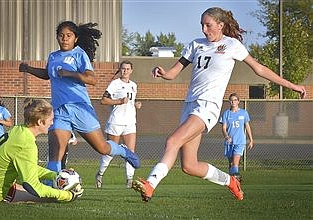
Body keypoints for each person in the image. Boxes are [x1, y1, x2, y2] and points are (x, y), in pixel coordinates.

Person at [131, 7, 306, 202]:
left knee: (172, 141)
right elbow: (172, 73)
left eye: (208, 25)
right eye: (202, 25)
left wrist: (292, 85)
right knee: (189, 166)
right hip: (189, 105)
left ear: (221, 25)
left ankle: (150, 184)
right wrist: (162, 72)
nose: (204, 30)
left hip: (208, 106)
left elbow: (260, 69)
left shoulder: (232, 45)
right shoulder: (195, 45)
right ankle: (230, 181)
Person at [19, 21, 140, 177]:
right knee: (56, 150)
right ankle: (52, 185)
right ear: (57, 37)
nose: (64, 39)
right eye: (61, 35)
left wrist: (71, 73)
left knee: (102, 148)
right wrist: (28, 69)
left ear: (75, 38)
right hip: (60, 110)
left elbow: (92, 79)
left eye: (69, 36)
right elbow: (48, 74)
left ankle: (123, 150)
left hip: (80, 108)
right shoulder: (53, 56)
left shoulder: (79, 54)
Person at [0, 99, 83, 203]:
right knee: (50, 197)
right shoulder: (27, 144)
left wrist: (54, 175)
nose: (52, 123)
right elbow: (33, 186)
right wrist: (67, 195)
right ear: (40, 122)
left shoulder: (19, 129)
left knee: (45, 191)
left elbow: (29, 167)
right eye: (51, 119)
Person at [95, 60, 142, 189]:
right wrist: (119, 101)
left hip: (130, 122)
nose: (125, 71)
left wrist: (136, 104)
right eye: (123, 69)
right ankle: (100, 174)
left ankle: (129, 180)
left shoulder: (134, 85)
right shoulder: (115, 84)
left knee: (130, 152)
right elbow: (103, 100)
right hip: (116, 122)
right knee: (110, 151)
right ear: (120, 70)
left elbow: (133, 99)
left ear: (131, 71)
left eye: (127, 69)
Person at [219, 93, 254, 182]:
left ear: (238, 101)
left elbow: (247, 126)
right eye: (231, 100)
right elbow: (223, 128)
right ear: (229, 102)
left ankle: (236, 182)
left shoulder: (243, 112)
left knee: (235, 163)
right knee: (231, 164)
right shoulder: (226, 114)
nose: (233, 102)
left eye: (235, 100)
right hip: (229, 142)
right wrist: (227, 137)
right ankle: (233, 182)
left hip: (240, 142)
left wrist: (251, 140)